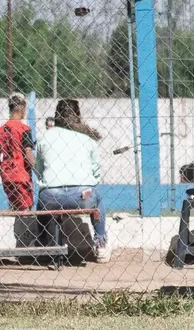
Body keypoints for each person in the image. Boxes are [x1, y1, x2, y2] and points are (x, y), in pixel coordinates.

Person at [35, 99, 111, 263]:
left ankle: (41, 243)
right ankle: (101, 244)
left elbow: (39, 170)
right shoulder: (87, 138)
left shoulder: (45, 137)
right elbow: (96, 172)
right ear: (78, 115)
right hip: (82, 195)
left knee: (41, 198)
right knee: (97, 197)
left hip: (51, 197)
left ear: (56, 116)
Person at [0, 94, 36, 213]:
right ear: (23, 108)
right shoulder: (24, 129)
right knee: (26, 211)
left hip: (6, 175)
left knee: (16, 208)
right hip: (21, 175)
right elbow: (28, 152)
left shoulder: (2, 129)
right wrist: (38, 168)